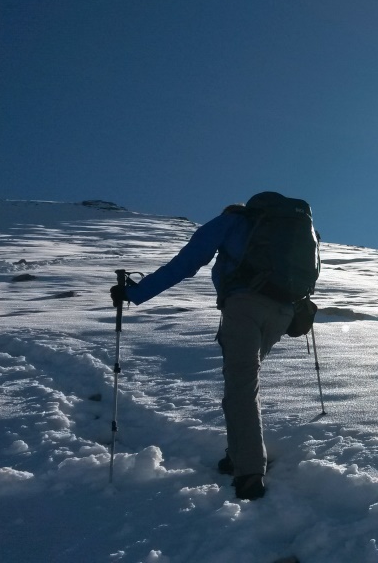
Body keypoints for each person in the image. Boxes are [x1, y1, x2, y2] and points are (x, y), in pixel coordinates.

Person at [111, 193, 298, 500]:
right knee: (241, 385)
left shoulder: (231, 222)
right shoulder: (282, 231)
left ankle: (250, 473)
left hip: (244, 306)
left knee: (241, 386)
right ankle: (237, 455)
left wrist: (136, 292)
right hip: (283, 311)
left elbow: (188, 261)